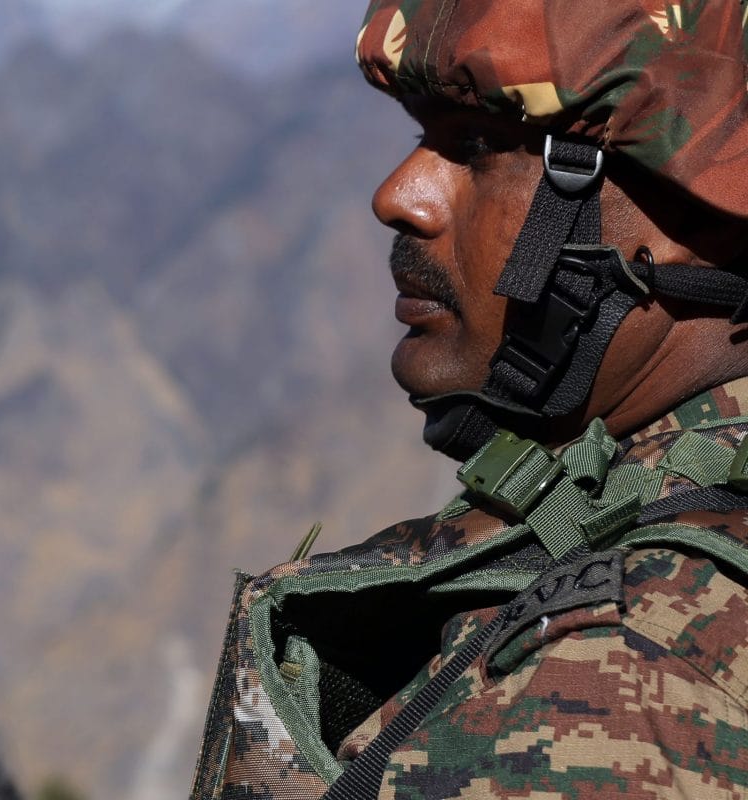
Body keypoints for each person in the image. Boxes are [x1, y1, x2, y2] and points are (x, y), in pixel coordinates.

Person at [190, 1, 748, 798]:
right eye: (423, 139)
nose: (399, 194)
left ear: (702, 209)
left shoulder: (612, 688)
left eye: (479, 144)